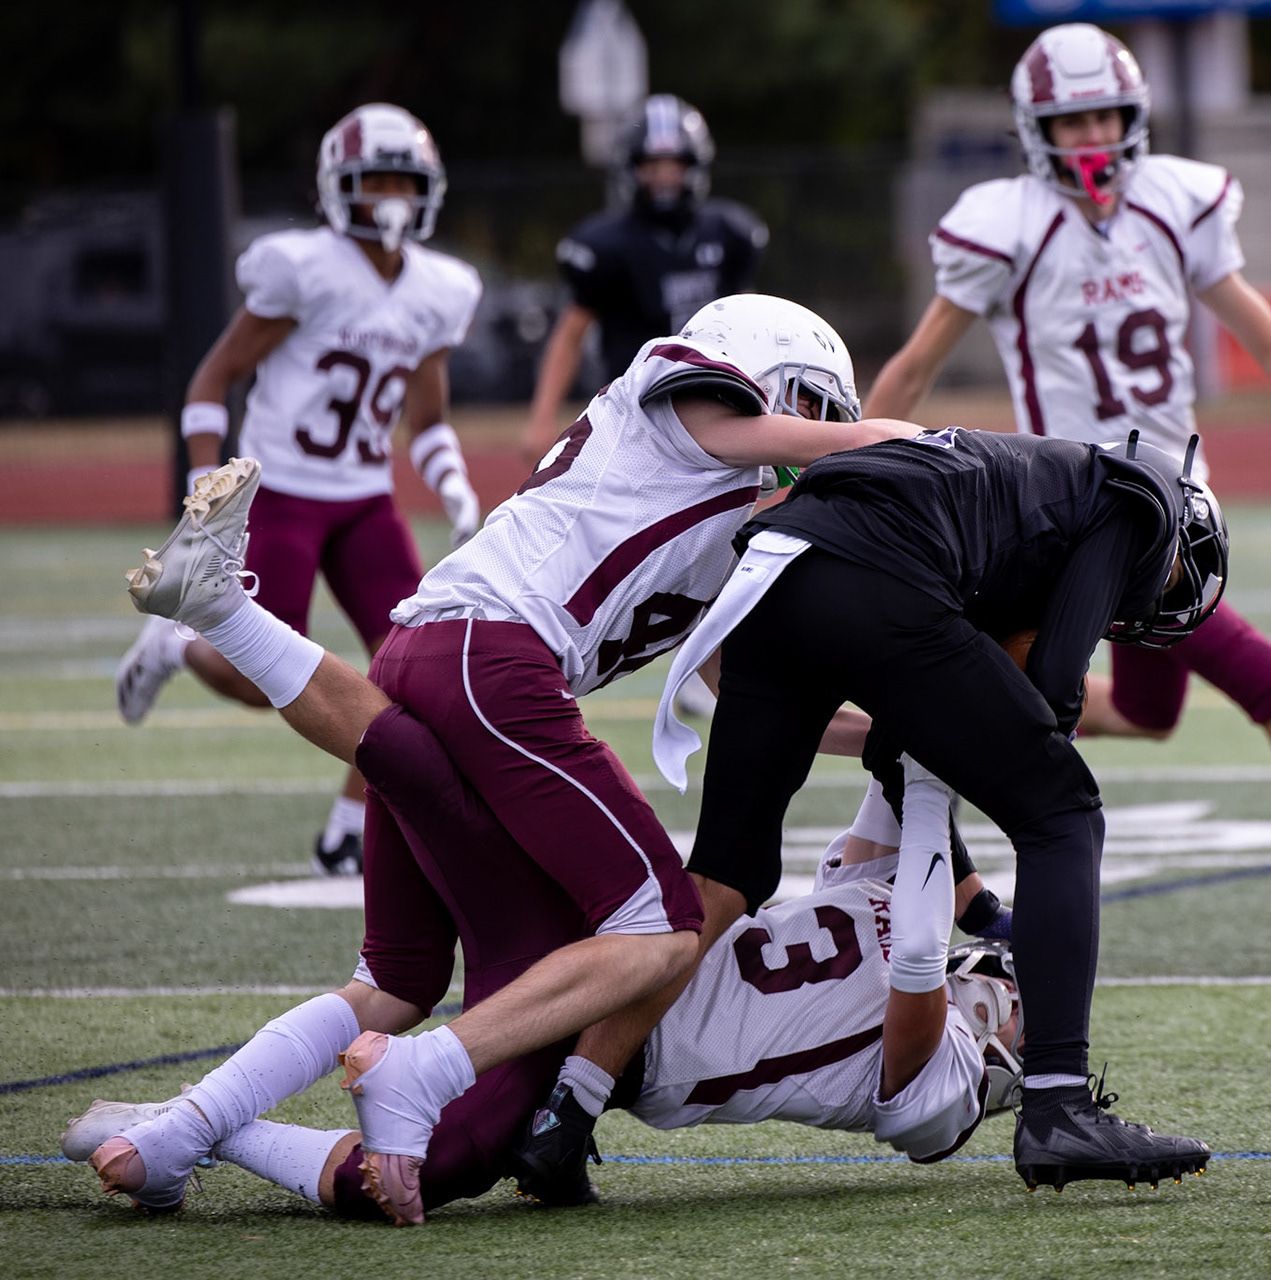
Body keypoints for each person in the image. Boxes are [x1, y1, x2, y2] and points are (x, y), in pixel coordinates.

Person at [78, 295, 920, 1219]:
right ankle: (420, 1075)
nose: (813, 432)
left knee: (396, 978)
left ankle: (180, 1129)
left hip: (432, 649)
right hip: (498, 659)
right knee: (662, 922)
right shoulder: (688, 405)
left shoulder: (709, 507)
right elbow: (808, 441)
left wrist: (889, 730)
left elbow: (727, 683)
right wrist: (939, 444)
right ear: (767, 372)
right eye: (812, 406)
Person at [862, 23, 1271, 955]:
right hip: (1081, 519)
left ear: (1134, 118)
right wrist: (856, 455)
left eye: (1105, 115)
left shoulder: (1176, 203)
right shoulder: (1006, 222)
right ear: (1034, 129)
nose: (1091, 137)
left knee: (1146, 712)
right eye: (1071, 119)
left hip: (1171, 517)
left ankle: (884, 734)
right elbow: (917, 365)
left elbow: (1265, 335)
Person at [64, 707, 1030, 1220]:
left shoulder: (941, 1087)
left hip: (612, 1025)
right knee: (433, 775)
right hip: (615, 935)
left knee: (413, 1134)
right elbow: (906, 768)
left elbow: (913, 964)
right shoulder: (905, 897)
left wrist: (954, 838)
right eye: (1032, 996)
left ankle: (179, 1125)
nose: (1020, 1012)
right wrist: (959, 745)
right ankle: (178, 1129)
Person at [627, 425, 1228, 1197]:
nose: (1157, 594)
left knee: (727, 871)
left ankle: (573, 1097)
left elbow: (916, 749)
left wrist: (977, 906)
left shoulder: (1006, 499)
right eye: (1174, 582)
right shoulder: (1133, 508)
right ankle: (1059, 1102)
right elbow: (1046, 686)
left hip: (772, 566)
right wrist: (1044, 715)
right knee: (1066, 813)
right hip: (862, 574)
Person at [114, 103, 485, 876]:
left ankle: (348, 828)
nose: (389, 198)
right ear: (337, 186)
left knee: (416, 672)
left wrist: (457, 492)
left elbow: (428, 418)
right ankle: (178, 651)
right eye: (374, 180)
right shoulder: (304, 268)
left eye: (403, 182)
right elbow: (213, 378)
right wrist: (204, 494)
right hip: (281, 493)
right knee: (262, 681)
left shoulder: (438, 290)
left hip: (365, 502)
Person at [522, 94, 768, 720]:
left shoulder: (730, 233)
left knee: (727, 534)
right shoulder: (605, 244)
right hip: (638, 421)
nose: (663, 177)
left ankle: (701, 663)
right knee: (640, 538)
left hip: (719, 409)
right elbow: (571, 331)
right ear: (629, 169)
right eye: (651, 164)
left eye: (674, 164)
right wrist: (540, 414)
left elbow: (752, 322)